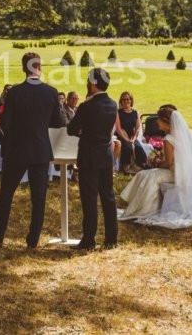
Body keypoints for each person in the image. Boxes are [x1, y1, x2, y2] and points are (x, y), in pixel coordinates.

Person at [0, 52, 64, 249]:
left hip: (17, 148)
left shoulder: (14, 92)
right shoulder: (51, 92)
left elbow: (5, 122)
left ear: (23, 68)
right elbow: (59, 121)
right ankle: (33, 239)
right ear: (40, 66)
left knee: (6, 194)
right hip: (40, 149)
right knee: (39, 198)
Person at [118, 105, 192, 228]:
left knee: (149, 176)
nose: (156, 121)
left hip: (174, 174)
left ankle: (144, 209)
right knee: (144, 174)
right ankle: (136, 204)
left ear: (165, 121)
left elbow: (168, 163)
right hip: (184, 173)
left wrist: (157, 163)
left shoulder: (168, 139)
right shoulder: (181, 135)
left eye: (158, 119)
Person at [67, 68, 119, 250]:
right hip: (105, 154)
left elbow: (71, 128)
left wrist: (83, 131)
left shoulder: (86, 106)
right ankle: (112, 239)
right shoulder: (113, 105)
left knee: (89, 198)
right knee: (108, 196)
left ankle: (89, 239)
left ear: (94, 83)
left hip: (88, 155)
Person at [115, 91, 145, 173]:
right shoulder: (118, 113)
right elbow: (118, 128)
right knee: (127, 147)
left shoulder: (135, 112)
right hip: (121, 135)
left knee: (138, 147)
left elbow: (138, 127)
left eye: (128, 99)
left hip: (132, 135)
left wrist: (134, 138)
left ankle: (140, 165)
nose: (126, 101)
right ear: (121, 101)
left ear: (131, 100)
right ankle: (126, 166)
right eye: (124, 100)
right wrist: (126, 139)